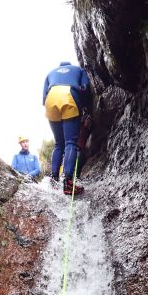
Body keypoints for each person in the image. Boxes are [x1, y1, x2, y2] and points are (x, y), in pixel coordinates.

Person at [43, 61, 92, 196]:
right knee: (70, 142)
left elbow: (44, 97)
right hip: (69, 96)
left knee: (59, 143)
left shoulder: (50, 73)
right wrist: (85, 107)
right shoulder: (78, 70)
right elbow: (85, 87)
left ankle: (54, 179)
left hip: (51, 100)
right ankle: (68, 182)